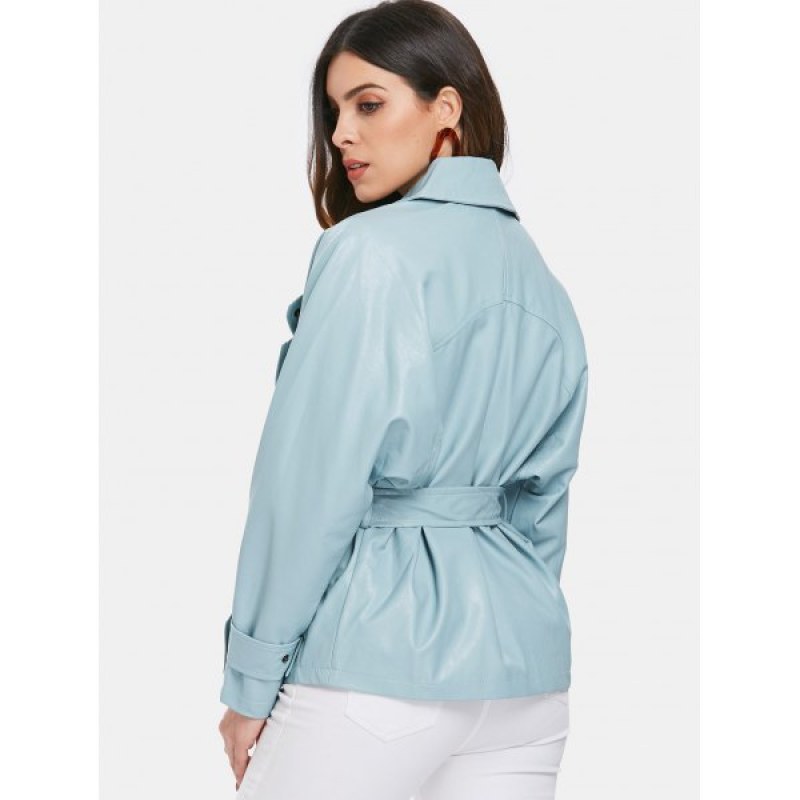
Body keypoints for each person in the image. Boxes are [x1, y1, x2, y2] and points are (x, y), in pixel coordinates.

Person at [217, 1, 588, 797]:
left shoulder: (366, 253)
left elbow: (307, 488)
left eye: (368, 104)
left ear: (445, 107)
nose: (341, 134)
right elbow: (544, 503)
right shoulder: (543, 280)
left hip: (375, 668)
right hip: (525, 681)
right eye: (334, 112)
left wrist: (250, 679)